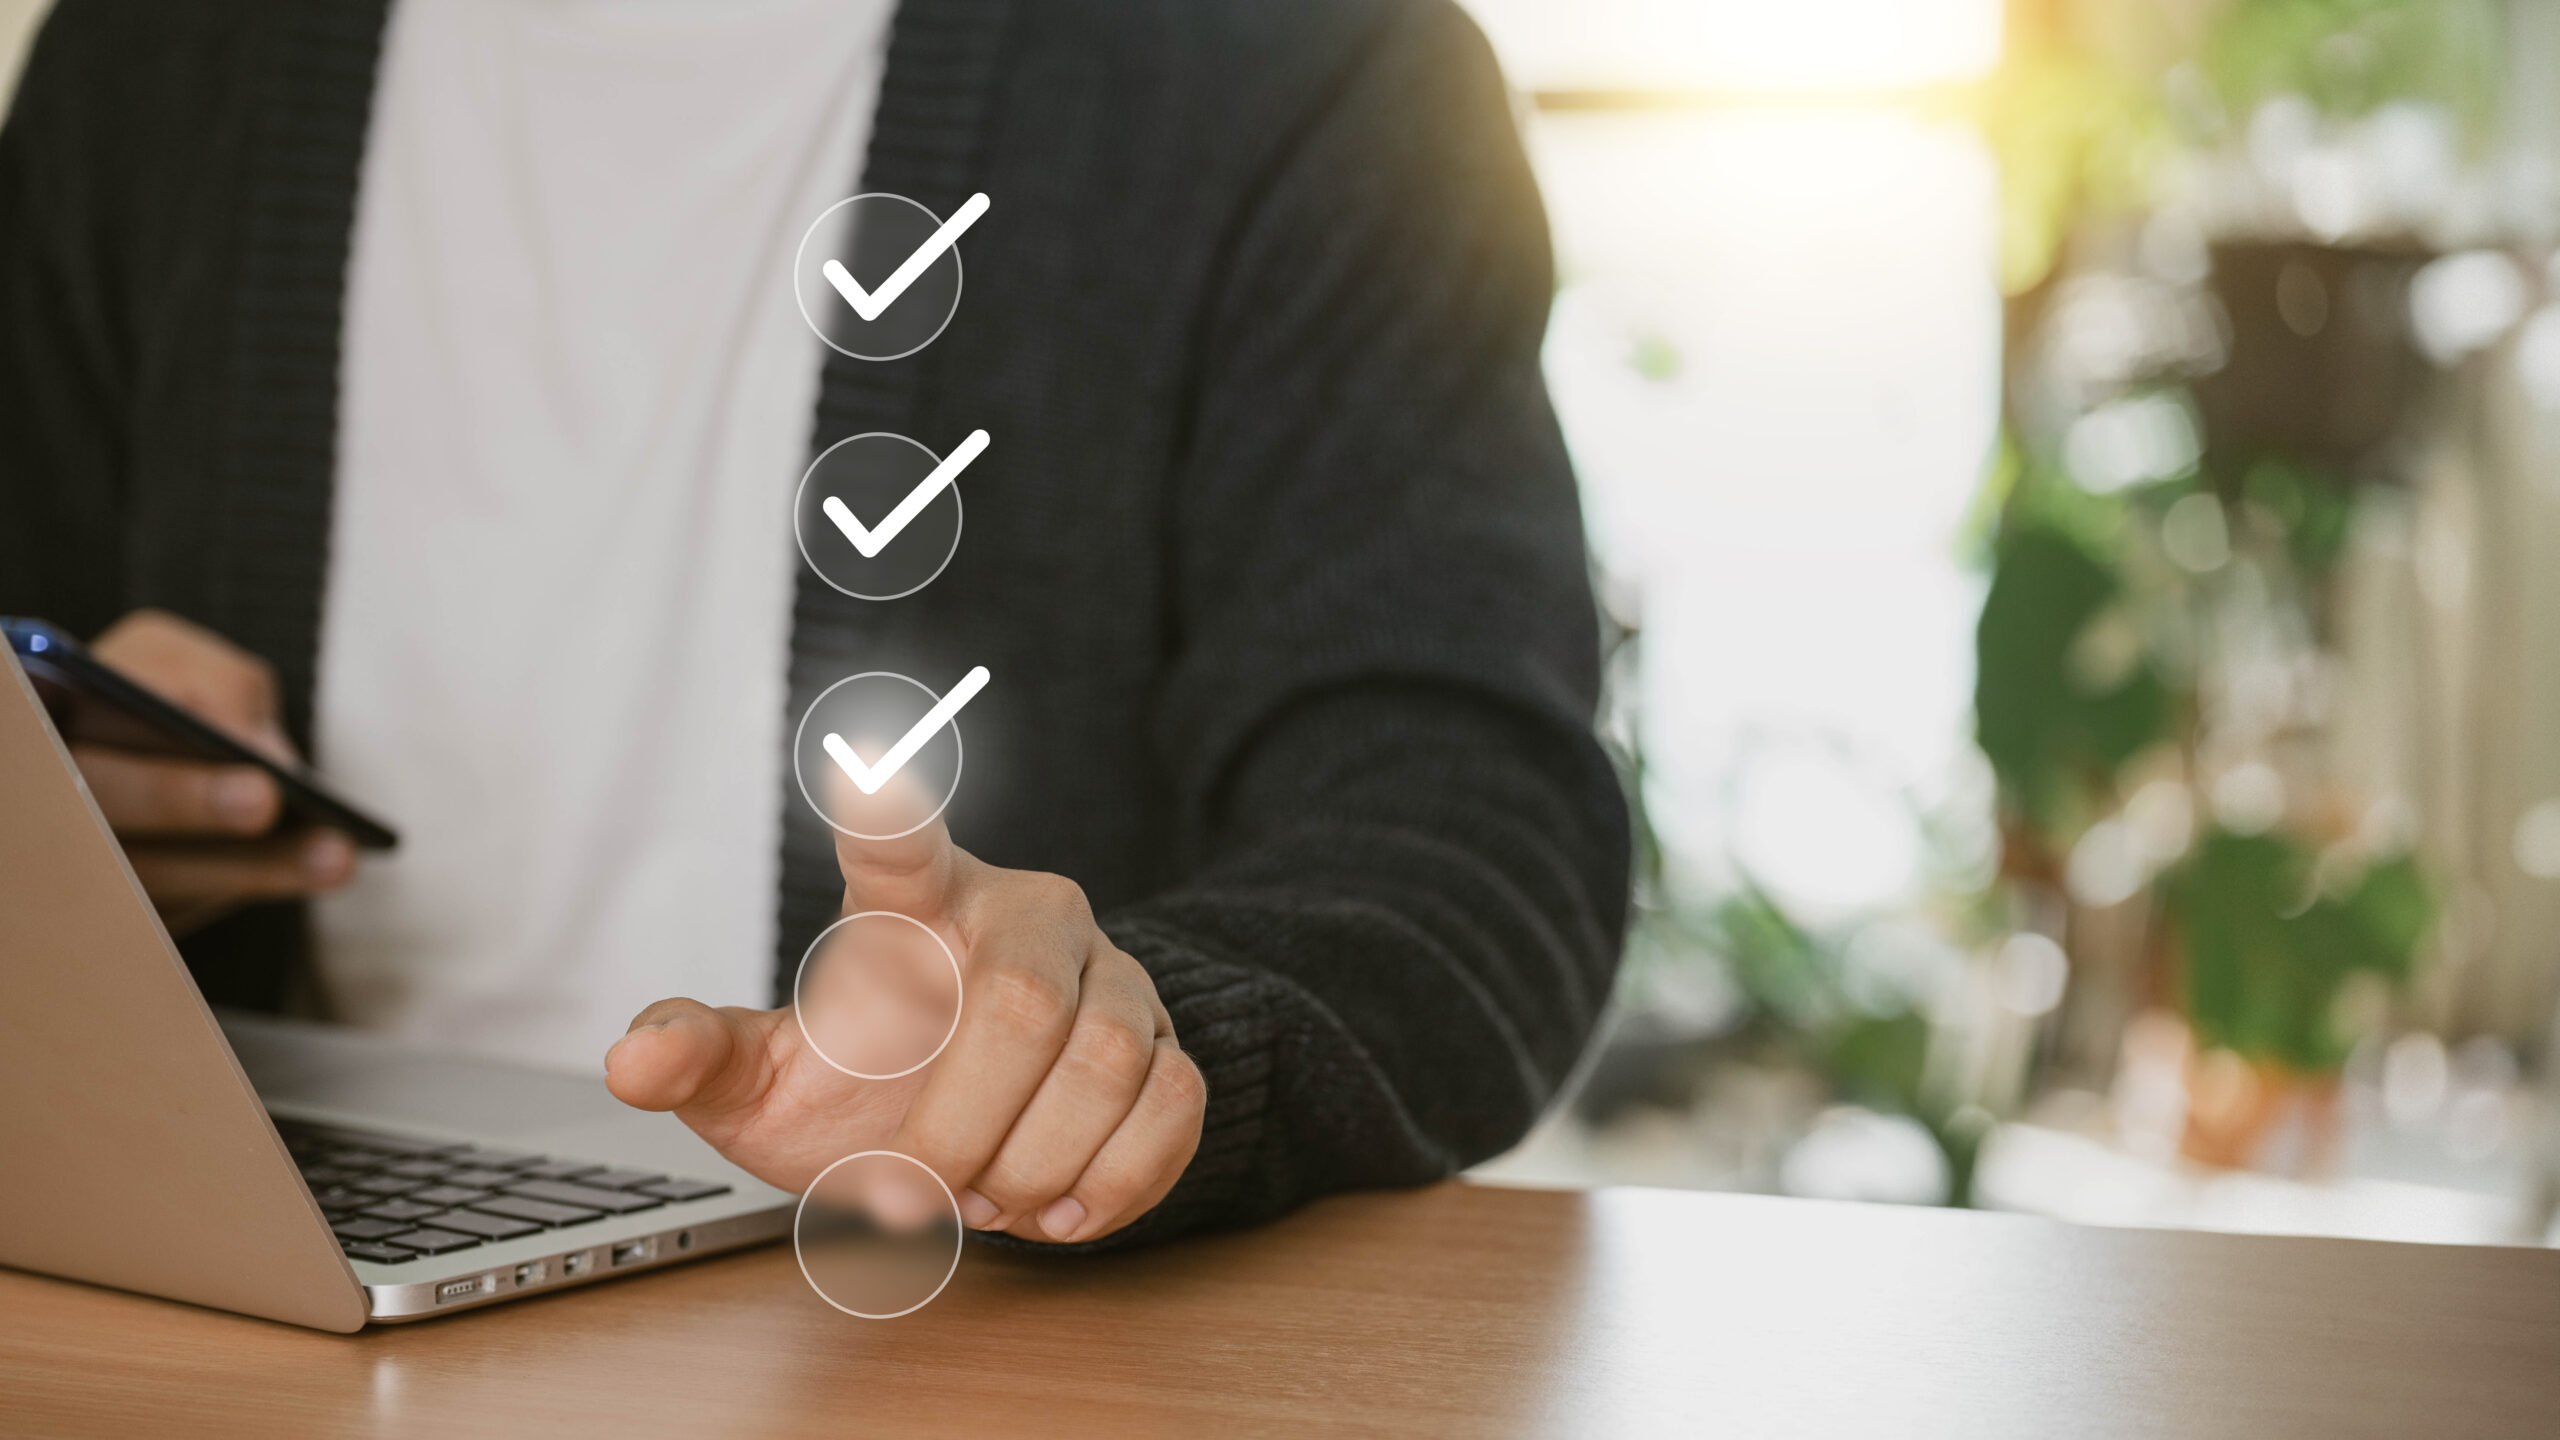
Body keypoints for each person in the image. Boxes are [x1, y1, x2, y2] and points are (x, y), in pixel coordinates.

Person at [0, 0, 1628, 1248]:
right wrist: (75, 838)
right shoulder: (156, 53)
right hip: (244, 1301)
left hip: (931, 1348)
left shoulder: (1298, 59)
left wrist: (1125, 1035)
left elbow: (1477, 835)